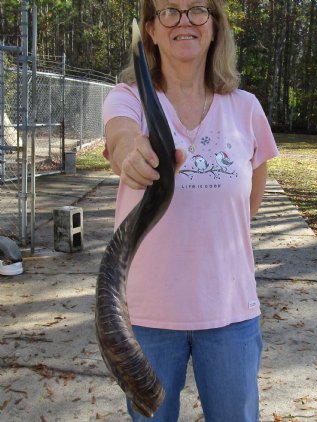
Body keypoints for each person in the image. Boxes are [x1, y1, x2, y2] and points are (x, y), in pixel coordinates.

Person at [102, 0, 279, 421]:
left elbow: (249, 202)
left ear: (214, 28)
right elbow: (121, 136)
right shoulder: (128, 98)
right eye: (169, 11)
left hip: (230, 314)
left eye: (197, 9)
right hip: (147, 320)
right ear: (151, 28)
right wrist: (132, 154)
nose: (184, 21)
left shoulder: (246, 108)